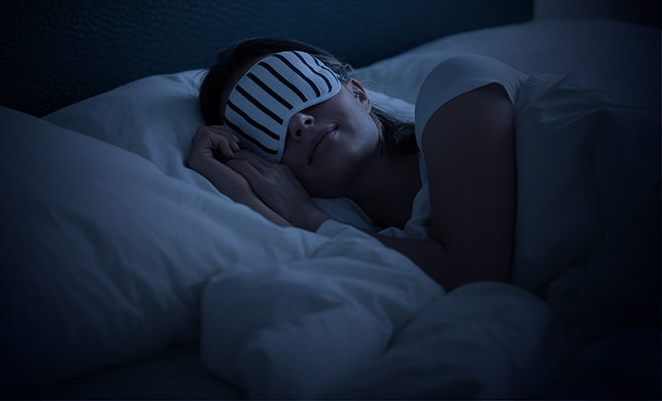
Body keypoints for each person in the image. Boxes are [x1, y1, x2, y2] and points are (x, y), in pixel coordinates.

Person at [189, 38, 520, 291]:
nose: (298, 123)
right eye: (263, 128)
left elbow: (473, 275)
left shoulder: (458, 91)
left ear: (359, 94)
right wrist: (245, 195)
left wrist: (306, 218)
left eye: (298, 89)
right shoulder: (385, 244)